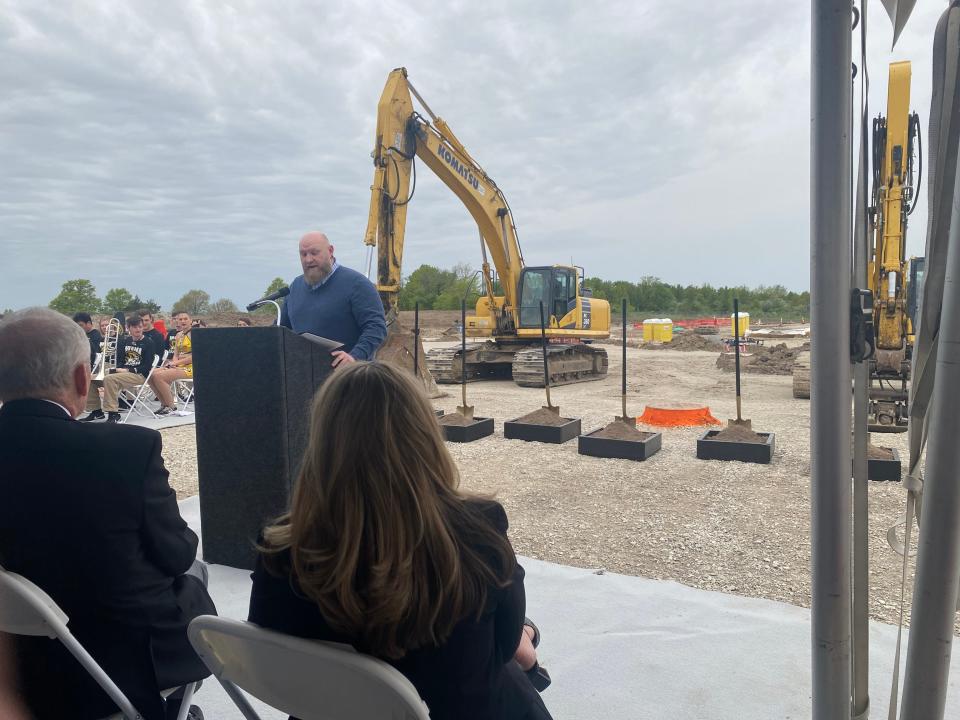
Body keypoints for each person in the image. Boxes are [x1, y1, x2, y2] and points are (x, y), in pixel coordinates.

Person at [249, 362, 553, 720]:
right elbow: (502, 648)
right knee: (517, 645)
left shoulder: (283, 549)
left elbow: (272, 653)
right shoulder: (479, 528)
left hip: (333, 711)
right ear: (423, 434)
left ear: (324, 441)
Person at [0, 308, 215, 720]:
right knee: (196, 573)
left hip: (22, 662)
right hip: (120, 667)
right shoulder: (127, 449)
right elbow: (177, 555)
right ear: (83, 379)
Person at [280, 231, 387, 367]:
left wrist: (354, 356)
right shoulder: (294, 288)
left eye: (314, 253)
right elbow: (282, 329)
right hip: (303, 377)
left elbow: (376, 327)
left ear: (330, 251)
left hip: (348, 378)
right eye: (303, 254)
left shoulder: (357, 284)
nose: (308, 259)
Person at [80, 314, 158, 423]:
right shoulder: (126, 341)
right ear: (129, 328)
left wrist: (128, 370)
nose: (138, 329)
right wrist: (116, 369)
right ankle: (96, 411)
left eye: (140, 327)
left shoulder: (148, 343)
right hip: (122, 373)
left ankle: (113, 414)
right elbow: (121, 360)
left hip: (139, 375)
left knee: (110, 379)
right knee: (90, 378)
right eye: (135, 327)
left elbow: (147, 366)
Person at [149, 310, 193, 416]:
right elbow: (176, 354)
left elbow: (195, 356)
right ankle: (164, 405)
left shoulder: (195, 334)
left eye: (185, 319)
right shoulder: (178, 335)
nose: (183, 321)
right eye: (180, 319)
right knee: (150, 374)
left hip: (191, 366)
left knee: (159, 377)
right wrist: (173, 363)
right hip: (179, 364)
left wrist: (176, 363)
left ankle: (172, 407)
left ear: (190, 321)